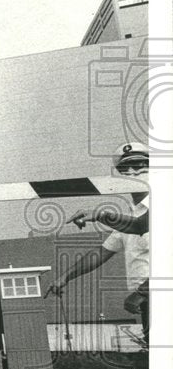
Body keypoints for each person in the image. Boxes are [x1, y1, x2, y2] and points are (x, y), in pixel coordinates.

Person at [44, 142, 150, 340]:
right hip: (148, 304)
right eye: (125, 168)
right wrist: (65, 277)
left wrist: (144, 292)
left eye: (140, 165)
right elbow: (100, 253)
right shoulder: (129, 218)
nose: (133, 172)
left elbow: (141, 226)